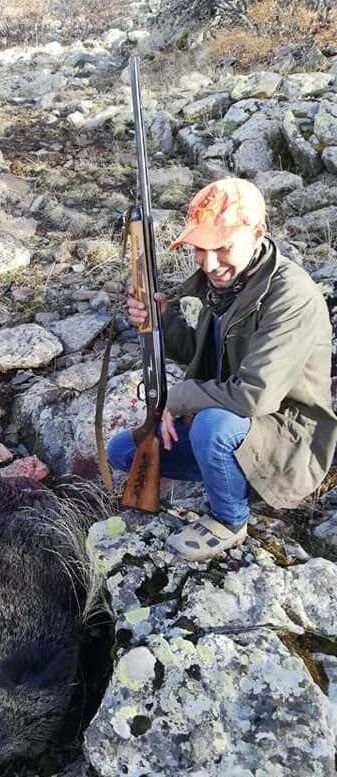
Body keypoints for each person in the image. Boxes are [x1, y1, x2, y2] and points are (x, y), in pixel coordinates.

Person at [108, 177, 337, 561]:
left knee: (213, 426)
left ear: (258, 233)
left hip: (284, 439)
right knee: (121, 453)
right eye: (200, 248)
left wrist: (175, 401)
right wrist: (161, 319)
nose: (209, 262)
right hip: (235, 426)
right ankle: (230, 474)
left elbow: (254, 395)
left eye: (223, 247)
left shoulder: (290, 295)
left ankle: (230, 520)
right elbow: (200, 352)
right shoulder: (216, 283)